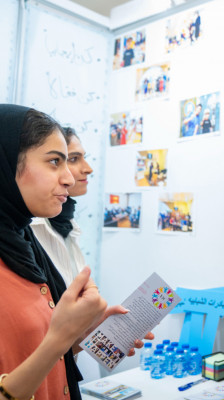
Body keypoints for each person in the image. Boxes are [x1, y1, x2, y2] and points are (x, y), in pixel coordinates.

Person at [0, 105, 150, 400]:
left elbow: (31, 351)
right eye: (55, 161)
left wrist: (81, 334)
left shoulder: (23, 243)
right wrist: (60, 338)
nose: (69, 178)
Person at [31, 128, 92, 286]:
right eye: (74, 159)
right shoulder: (28, 227)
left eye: (84, 158)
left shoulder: (67, 222)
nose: (88, 169)